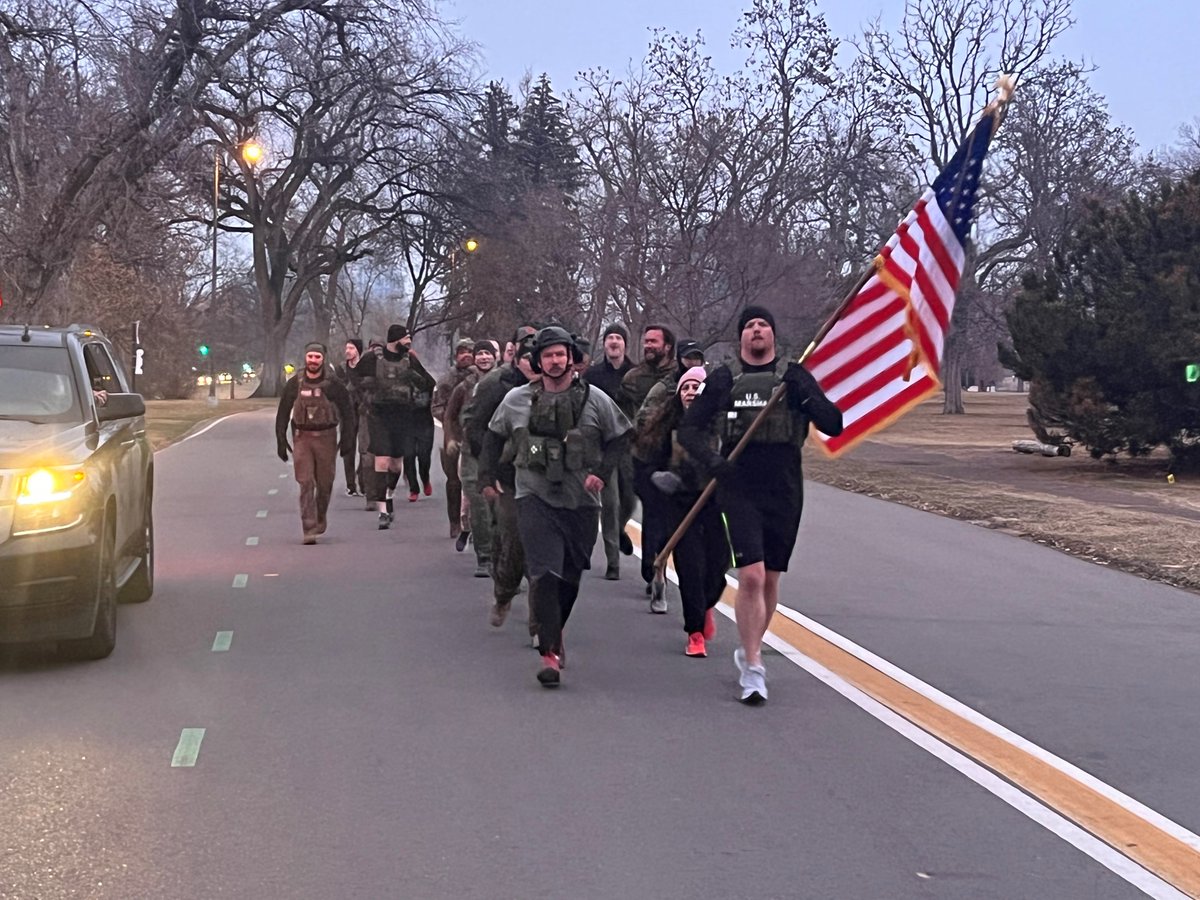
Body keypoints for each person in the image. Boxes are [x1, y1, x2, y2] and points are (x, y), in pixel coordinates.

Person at [678, 306, 843, 704]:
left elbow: (833, 423)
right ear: (740, 338)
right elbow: (689, 430)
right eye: (749, 326)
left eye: (763, 325)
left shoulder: (793, 378)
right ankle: (753, 665)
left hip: (784, 486)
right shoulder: (723, 379)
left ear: (772, 336)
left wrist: (803, 389)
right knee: (750, 576)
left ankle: (749, 645)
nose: (756, 331)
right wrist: (715, 463)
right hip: (740, 485)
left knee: (770, 578)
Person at [481, 326, 632, 687]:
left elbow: (621, 437)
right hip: (533, 496)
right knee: (544, 573)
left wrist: (601, 473)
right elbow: (492, 435)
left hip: (581, 500)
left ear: (571, 358)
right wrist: (487, 477)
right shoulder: (517, 398)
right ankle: (548, 652)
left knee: (571, 576)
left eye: (560, 354)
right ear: (538, 361)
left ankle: (555, 630)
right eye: (547, 355)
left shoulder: (595, 399)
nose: (554, 360)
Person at [636, 366, 727, 656]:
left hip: (716, 505)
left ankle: (707, 604)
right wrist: (659, 478)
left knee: (717, 568)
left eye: (696, 387)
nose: (690, 393)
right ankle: (695, 632)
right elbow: (644, 464)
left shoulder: (721, 425)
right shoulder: (666, 427)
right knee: (691, 567)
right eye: (685, 388)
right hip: (680, 507)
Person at [465, 326, 539, 634]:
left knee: (545, 553)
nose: (536, 364)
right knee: (513, 545)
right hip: (510, 479)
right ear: (516, 359)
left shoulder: (565, 390)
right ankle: (504, 592)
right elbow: (477, 429)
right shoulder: (499, 387)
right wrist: (490, 470)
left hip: (551, 482)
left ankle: (542, 624)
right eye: (529, 357)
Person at [275, 342, 355, 544]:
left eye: (317, 357)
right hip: (302, 438)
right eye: (310, 356)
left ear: (323, 359)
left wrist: (347, 439)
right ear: (305, 357)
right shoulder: (295, 383)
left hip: (327, 437)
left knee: (325, 483)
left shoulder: (333, 384)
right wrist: (281, 440)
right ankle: (308, 528)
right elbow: (283, 411)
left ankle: (320, 516)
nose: (313, 361)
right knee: (305, 482)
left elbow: (347, 411)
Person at [358, 324, 436, 528]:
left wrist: (412, 377)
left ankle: (390, 494)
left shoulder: (410, 359)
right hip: (378, 416)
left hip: (403, 416)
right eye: (406, 338)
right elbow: (354, 379)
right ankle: (382, 511)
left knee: (395, 465)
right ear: (395, 339)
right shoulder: (373, 358)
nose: (409, 342)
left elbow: (429, 383)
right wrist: (366, 394)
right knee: (381, 461)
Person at [620, 323, 677, 599]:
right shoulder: (632, 378)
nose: (648, 346)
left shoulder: (679, 376)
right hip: (641, 455)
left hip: (672, 455)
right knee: (649, 512)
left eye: (654, 342)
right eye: (646, 341)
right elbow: (621, 412)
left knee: (662, 516)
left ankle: (657, 568)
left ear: (668, 346)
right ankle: (652, 567)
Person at [585, 323, 635, 579]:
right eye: (610, 338)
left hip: (630, 446)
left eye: (618, 338)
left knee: (629, 500)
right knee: (611, 503)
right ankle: (613, 561)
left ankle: (620, 530)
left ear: (625, 344)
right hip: (602, 447)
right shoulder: (593, 376)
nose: (614, 342)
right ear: (604, 344)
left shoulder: (635, 374)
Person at [445, 340, 498, 577]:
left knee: (499, 505)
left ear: (496, 356)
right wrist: (452, 438)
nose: (484, 357)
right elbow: (449, 415)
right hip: (471, 451)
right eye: (480, 354)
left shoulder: (506, 383)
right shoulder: (464, 386)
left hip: (499, 451)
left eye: (488, 353)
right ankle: (484, 557)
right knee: (477, 503)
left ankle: (503, 555)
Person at [433, 338, 477, 538]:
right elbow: (436, 407)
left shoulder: (482, 378)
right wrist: (454, 420)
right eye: (462, 351)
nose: (466, 355)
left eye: (470, 351)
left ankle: (475, 522)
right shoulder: (447, 380)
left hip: (476, 436)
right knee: (453, 481)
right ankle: (454, 522)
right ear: (456, 355)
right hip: (453, 435)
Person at [334, 338, 366, 496]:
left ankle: (362, 477)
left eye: (351, 348)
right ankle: (350, 484)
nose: (347, 351)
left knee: (366, 448)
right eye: (346, 348)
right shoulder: (341, 368)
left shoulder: (365, 367)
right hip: (346, 413)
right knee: (348, 448)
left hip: (364, 411)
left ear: (358, 350)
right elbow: (338, 390)